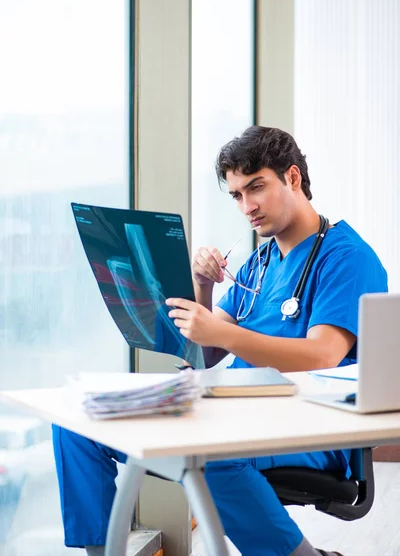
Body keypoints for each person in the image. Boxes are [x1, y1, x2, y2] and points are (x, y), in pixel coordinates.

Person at [52, 126, 388, 556]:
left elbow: (323, 354)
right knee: (75, 424)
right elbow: (205, 352)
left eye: (256, 188)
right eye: (235, 195)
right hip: (238, 415)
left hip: (308, 430)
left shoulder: (346, 256)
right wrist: (201, 287)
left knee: (210, 453)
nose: (246, 206)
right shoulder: (260, 262)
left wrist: (221, 331)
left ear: (293, 178)